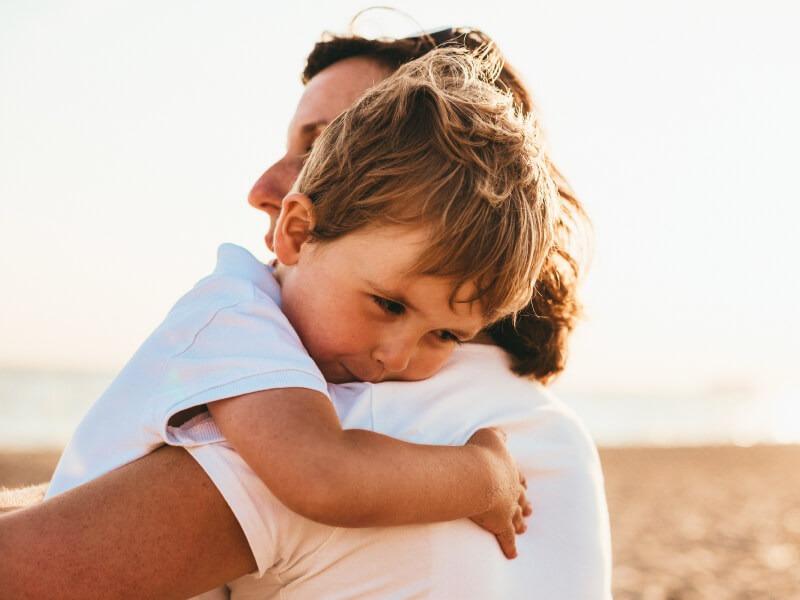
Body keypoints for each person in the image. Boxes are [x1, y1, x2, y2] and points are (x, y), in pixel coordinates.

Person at [0, 27, 611, 600]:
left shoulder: (362, 412)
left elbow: (24, 567)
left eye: (324, 143)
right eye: (388, 305)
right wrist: (484, 475)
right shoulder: (543, 427)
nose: (263, 185)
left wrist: (483, 475)